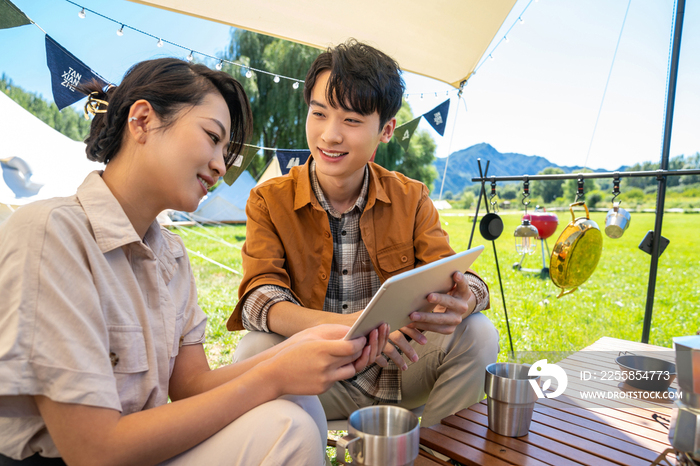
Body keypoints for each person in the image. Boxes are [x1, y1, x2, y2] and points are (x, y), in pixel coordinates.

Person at [0, 58, 384, 465]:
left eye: (226, 151)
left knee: (298, 404)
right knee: (287, 428)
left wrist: (294, 351)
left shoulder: (172, 256)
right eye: (212, 137)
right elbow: (93, 450)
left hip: (138, 448)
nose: (220, 165)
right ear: (143, 120)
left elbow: (192, 386)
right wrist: (272, 375)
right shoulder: (51, 233)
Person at [229, 40, 500, 430]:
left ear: (386, 130)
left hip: (401, 366)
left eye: (352, 121)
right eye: (319, 114)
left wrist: (468, 295)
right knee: (255, 348)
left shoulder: (411, 196)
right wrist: (354, 327)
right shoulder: (269, 200)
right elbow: (260, 299)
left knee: (477, 332)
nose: (330, 135)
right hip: (317, 376)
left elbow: (456, 272)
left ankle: (438, 455)